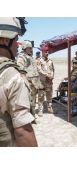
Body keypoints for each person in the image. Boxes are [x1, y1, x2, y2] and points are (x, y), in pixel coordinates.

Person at [0, 17, 37, 147]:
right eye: (16, 39)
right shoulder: (11, 76)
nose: (17, 44)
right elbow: (23, 131)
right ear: (5, 40)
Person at [17, 40, 42, 119]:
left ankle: (33, 115)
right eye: (30, 48)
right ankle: (30, 117)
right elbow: (20, 70)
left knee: (34, 99)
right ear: (24, 48)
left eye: (31, 48)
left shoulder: (30, 57)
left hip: (35, 82)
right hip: (28, 83)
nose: (31, 50)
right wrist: (26, 81)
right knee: (29, 100)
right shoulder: (22, 57)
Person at [37, 49, 55, 114]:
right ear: (42, 52)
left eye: (48, 52)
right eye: (45, 52)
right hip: (42, 81)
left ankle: (50, 108)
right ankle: (40, 110)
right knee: (41, 96)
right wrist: (47, 75)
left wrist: (52, 76)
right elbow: (39, 70)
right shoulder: (39, 60)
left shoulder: (50, 61)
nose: (47, 53)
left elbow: (52, 69)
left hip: (49, 81)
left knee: (49, 95)